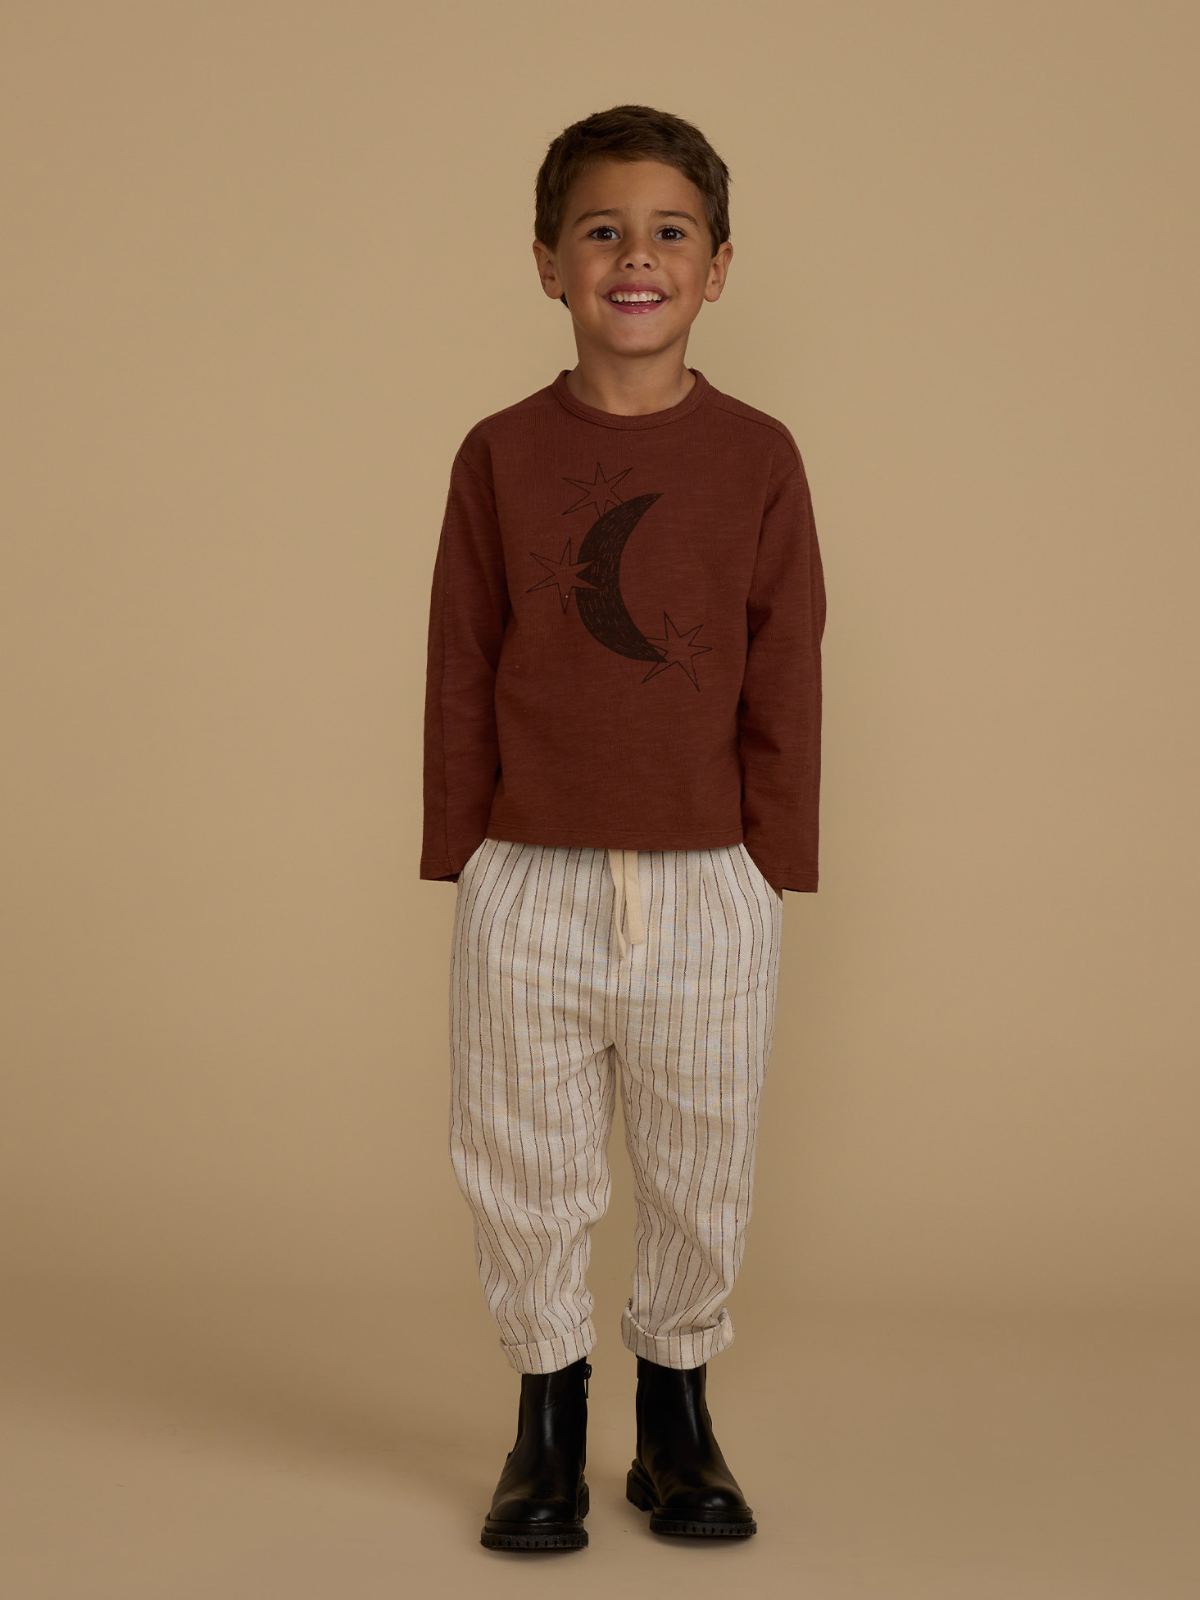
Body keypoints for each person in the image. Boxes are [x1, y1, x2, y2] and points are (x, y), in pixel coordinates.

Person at [420, 104, 826, 1551]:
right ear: (548, 263)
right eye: (603, 231)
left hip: (710, 876)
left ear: (718, 267)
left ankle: (675, 1421)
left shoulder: (759, 456)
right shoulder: (501, 454)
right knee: (520, 1157)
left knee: (705, 1157)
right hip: (530, 874)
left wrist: (772, 859)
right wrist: (469, 846)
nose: (635, 257)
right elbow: (464, 652)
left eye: (670, 232)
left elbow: (786, 653)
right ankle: (543, 1425)